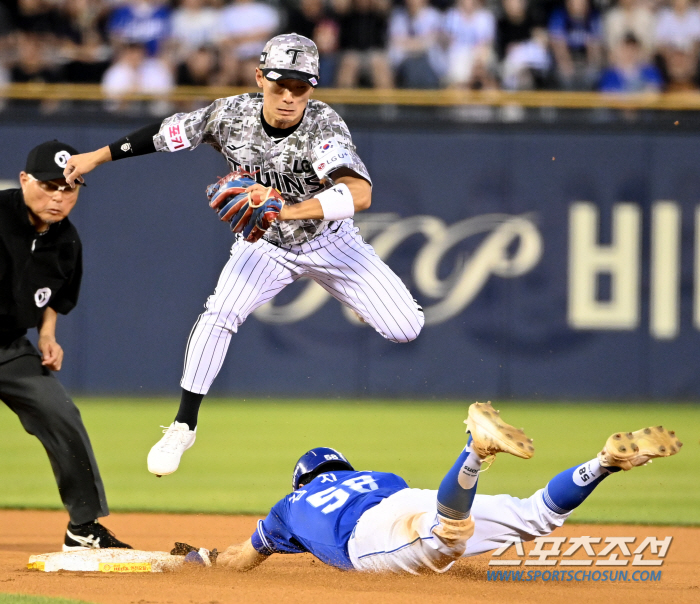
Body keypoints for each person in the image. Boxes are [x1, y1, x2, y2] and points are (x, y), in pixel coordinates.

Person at [62, 33, 425, 477]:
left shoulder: (323, 125)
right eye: (280, 84)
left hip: (331, 241)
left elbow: (361, 194)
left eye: (301, 86)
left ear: (313, 87)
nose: (290, 96)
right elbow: (164, 134)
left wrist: (283, 209)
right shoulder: (229, 114)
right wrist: (96, 157)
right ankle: (183, 424)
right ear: (259, 77)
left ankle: (353, 293)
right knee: (220, 314)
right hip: (266, 247)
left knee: (406, 328)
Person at [212, 402, 682, 574]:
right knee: (535, 515)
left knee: (445, 537)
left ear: (300, 483)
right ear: (341, 467)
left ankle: (476, 450)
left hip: (369, 537)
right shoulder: (377, 476)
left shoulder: (286, 507)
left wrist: (205, 559)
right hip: (404, 499)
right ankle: (603, 463)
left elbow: (243, 560)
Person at [0, 140, 132, 552]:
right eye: (49, 185)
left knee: (61, 413)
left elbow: (54, 297)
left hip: (9, 348)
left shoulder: (67, 241)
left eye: (69, 187)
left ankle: (83, 527)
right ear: (25, 180)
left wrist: (46, 335)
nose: (58, 196)